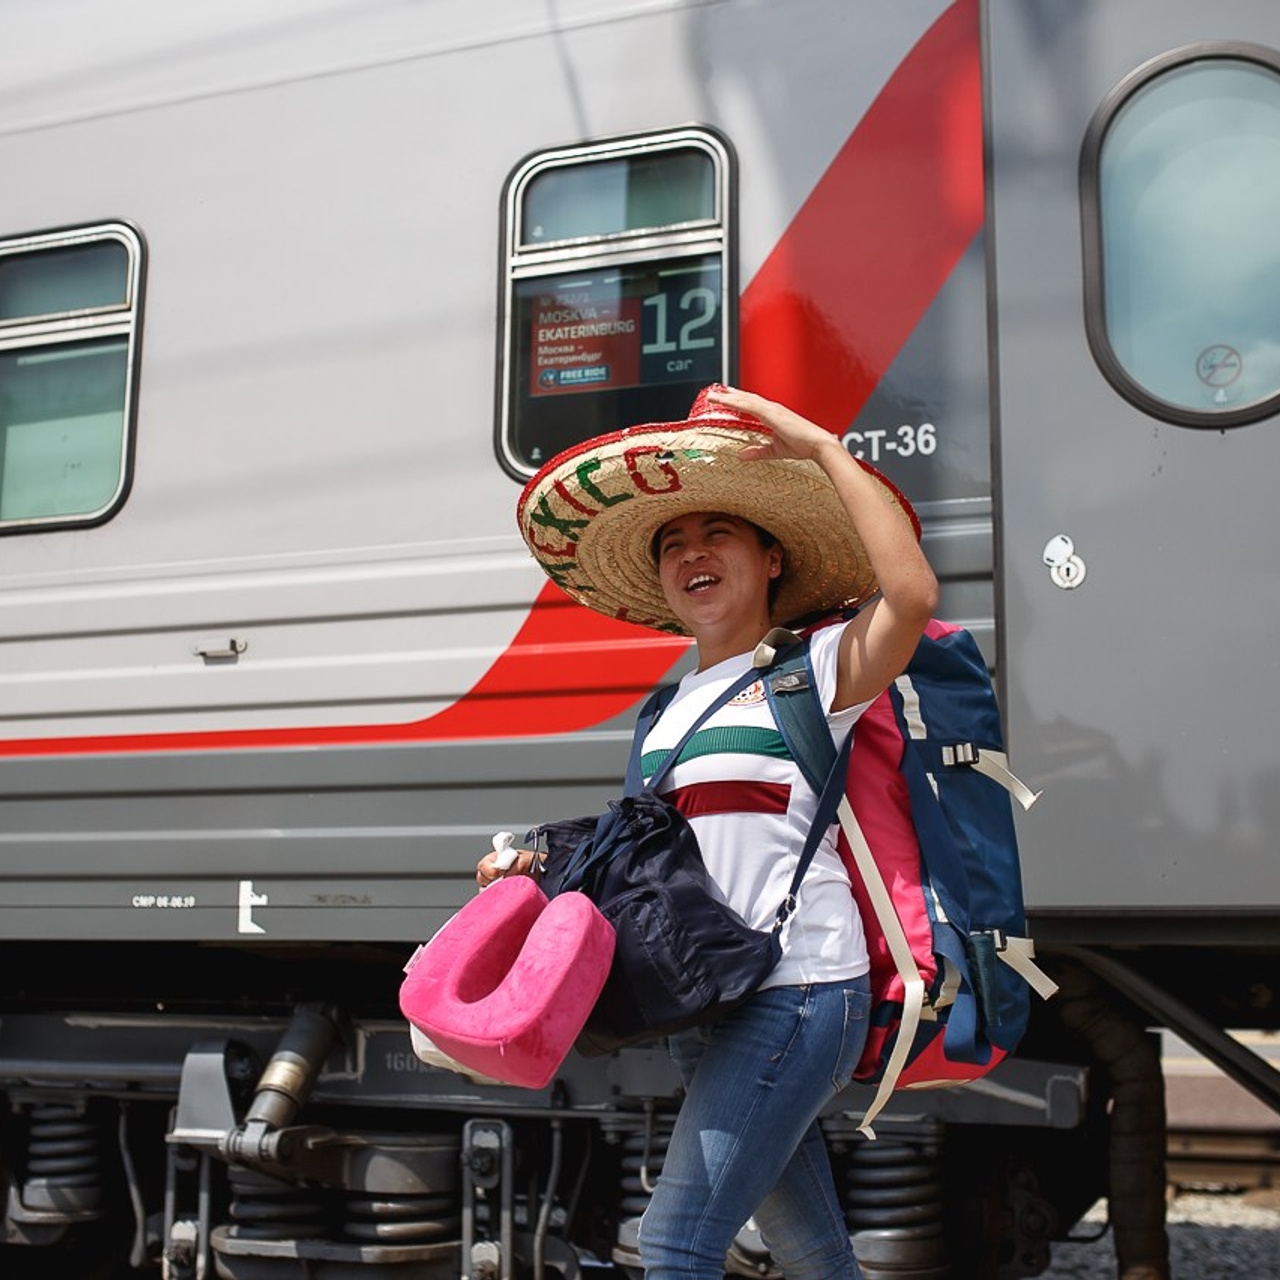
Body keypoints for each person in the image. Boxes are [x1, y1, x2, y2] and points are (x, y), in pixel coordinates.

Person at [479, 384, 938, 1280]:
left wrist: (817, 446)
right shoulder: (661, 713)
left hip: (800, 990)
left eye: (715, 535)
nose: (691, 553)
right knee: (812, 1251)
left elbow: (911, 595)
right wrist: (530, 864)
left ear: (770, 559)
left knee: (675, 1240)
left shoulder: (816, 673)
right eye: (671, 545)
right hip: (708, 1006)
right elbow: (643, 862)